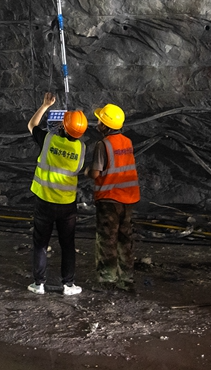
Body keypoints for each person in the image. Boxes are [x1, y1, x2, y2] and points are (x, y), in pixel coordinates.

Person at [26, 92, 88, 296]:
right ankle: (68, 285)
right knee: (67, 244)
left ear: (62, 126)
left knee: (41, 243)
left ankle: (39, 283)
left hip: (44, 201)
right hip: (66, 205)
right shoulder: (81, 148)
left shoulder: (49, 140)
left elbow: (32, 125)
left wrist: (45, 106)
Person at [87, 103, 140, 292]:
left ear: (106, 125)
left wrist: (86, 171)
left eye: (100, 120)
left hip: (109, 199)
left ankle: (107, 280)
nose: (97, 124)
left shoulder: (103, 145)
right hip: (128, 199)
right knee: (125, 240)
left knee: (107, 240)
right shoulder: (127, 142)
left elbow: (95, 173)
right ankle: (126, 279)